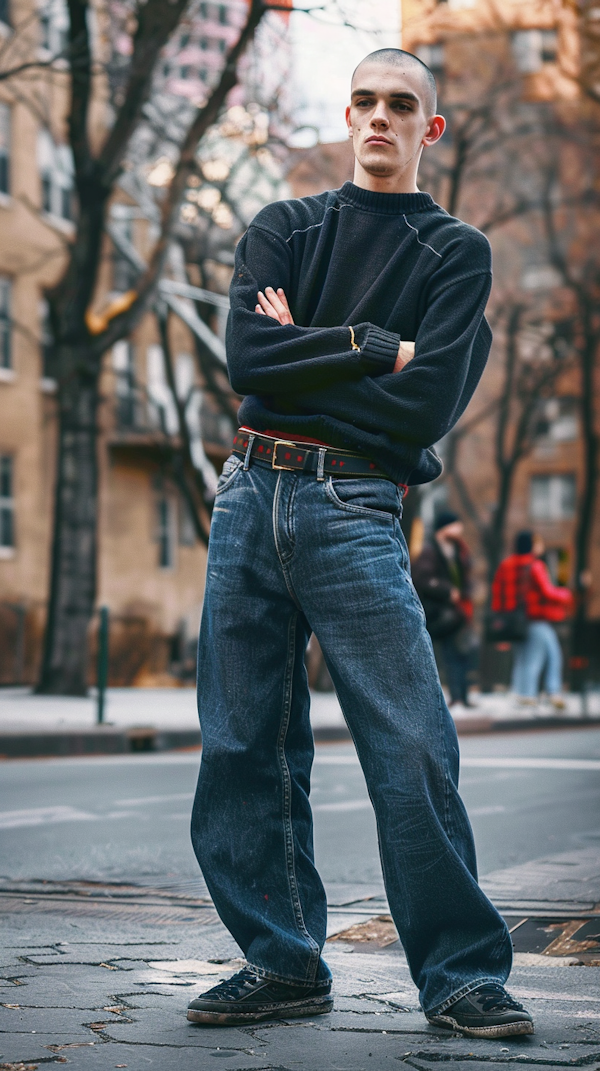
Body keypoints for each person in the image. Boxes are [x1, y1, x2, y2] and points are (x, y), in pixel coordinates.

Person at [188, 49, 533, 1039]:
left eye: (403, 105)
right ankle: (282, 961)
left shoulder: (455, 252)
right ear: (349, 115)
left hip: (355, 503)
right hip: (249, 494)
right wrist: (371, 345)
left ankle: (462, 975)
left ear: (430, 129)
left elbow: (420, 410)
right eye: (367, 101)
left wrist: (310, 356)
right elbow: (249, 361)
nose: (380, 117)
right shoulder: (285, 227)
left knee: (412, 742)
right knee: (243, 743)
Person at [492, 531, 573, 709]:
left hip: (514, 621)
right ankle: (541, 693)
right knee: (549, 655)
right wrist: (566, 595)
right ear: (531, 544)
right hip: (536, 619)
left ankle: (522, 693)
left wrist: (500, 620)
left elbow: (498, 593)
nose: (540, 545)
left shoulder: (505, 565)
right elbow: (547, 591)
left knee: (523, 657)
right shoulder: (535, 565)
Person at [412, 511, 477, 709]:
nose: (459, 529)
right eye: (455, 525)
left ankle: (460, 697)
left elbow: (466, 579)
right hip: (435, 613)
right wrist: (448, 591)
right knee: (431, 657)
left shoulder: (459, 551)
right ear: (443, 528)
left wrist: (464, 593)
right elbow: (422, 579)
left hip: (455, 613)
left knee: (458, 654)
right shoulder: (429, 551)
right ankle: (430, 700)